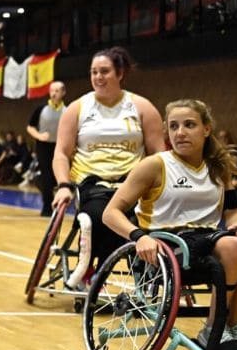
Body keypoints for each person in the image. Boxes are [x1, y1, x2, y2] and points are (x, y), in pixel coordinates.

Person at [102, 99, 237, 350]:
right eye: (174, 126)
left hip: (209, 239)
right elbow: (111, 212)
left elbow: (232, 211)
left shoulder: (218, 168)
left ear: (206, 129)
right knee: (233, 247)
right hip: (167, 245)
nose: (180, 132)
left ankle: (234, 328)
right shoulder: (155, 165)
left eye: (189, 125)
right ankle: (214, 327)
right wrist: (138, 236)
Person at [51, 47, 165, 289]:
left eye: (104, 71)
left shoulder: (141, 107)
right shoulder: (77, 108)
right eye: (94, 72)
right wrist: (63, 185)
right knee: (99, 217)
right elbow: (61, 153)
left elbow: (159, 154)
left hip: (133, 184)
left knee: (139, 219)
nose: (98, 77)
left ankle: (133, 275)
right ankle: (94, 271)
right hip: (93, 184)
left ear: (120, 73)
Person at [26, 81, 66, 215]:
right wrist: (39, 135)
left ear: (63, 93)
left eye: (57, 91)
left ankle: (57, 200)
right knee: (47, 176)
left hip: (60, 147)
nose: (54, 93)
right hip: (43, 146)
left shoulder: (67, 110)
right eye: (52, 91)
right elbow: (30, 127)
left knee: (58, 176)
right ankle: (47, 207)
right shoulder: (41, 109)